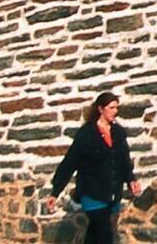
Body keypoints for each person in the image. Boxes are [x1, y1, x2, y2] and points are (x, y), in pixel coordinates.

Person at [46, 92, 141, 244]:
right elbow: (70, 162)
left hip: (113, 194)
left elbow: (124, 160)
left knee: (95, 235)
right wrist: (55, 192)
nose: (115, 111)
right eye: (111, 107)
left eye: (117, 107)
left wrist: (131, 179)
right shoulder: (86, 134)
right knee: (105, 235)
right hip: (92, 194)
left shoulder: (118, 132)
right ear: (101, 109)